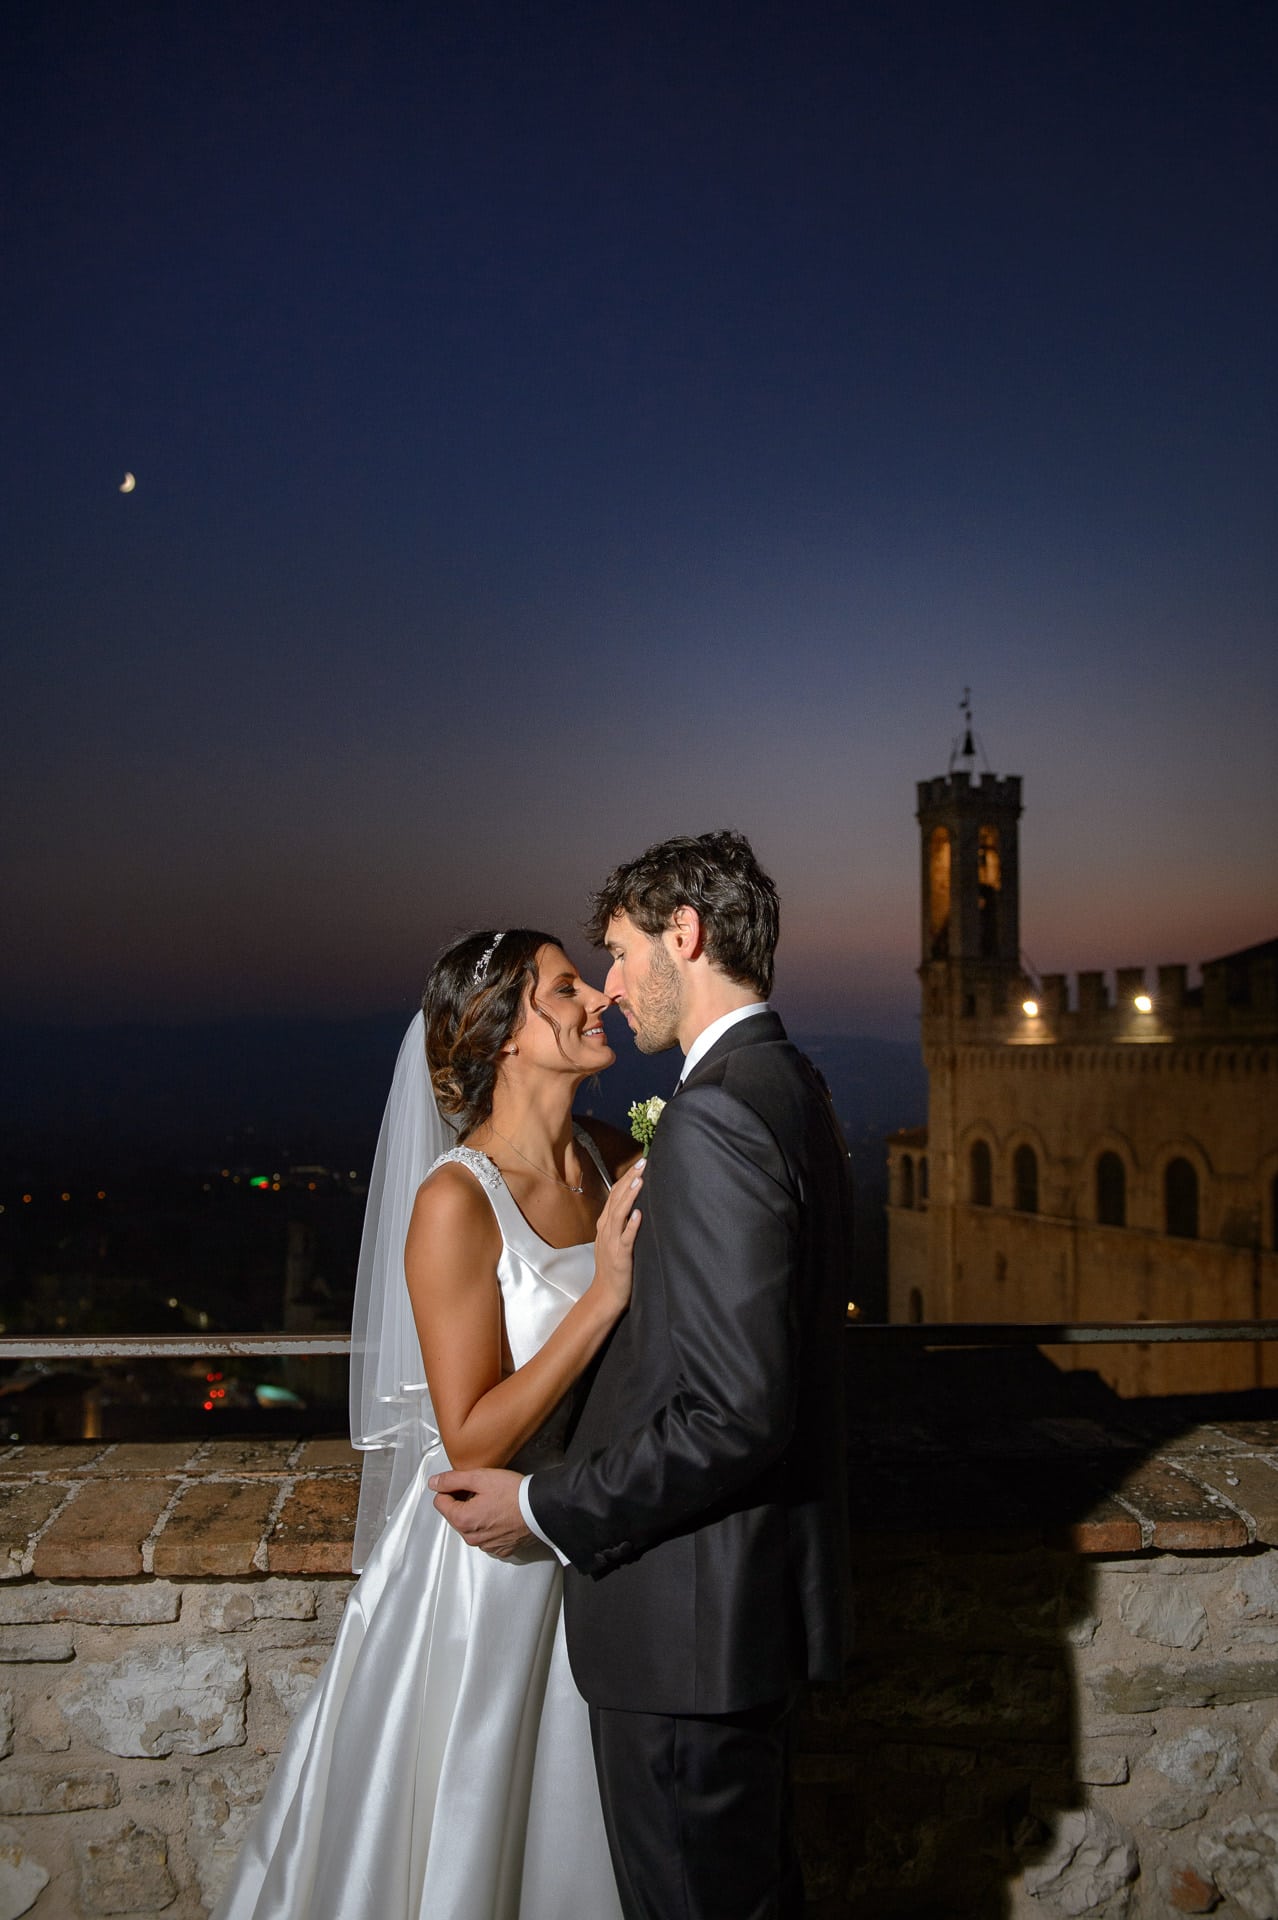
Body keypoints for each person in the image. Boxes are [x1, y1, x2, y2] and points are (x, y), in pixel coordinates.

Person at [431, 832, 854, 1920]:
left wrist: (543, 1506)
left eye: (616, 955)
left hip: (685, 1624)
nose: (610, 989)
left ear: (687, 936)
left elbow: (733, 1410)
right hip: (721, 1612)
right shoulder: (791, 1083)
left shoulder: (713, 1114)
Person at [213, 928, 641, 1920]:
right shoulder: (457, 1200)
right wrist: (604, 1297)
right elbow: (472, 1438)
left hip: (598, 1533)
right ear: (504, 1035)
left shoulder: (612, 1153)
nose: (599, 998)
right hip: (493, 1573)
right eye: (565, 988)